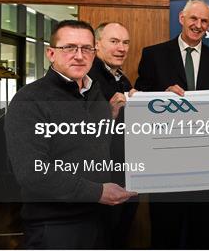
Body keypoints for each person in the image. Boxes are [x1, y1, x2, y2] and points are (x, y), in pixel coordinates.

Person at [4, 20, 136, 249]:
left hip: (99, 220)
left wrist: (112, 118)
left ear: (94, 53)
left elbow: (89, 143)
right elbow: (32, 173)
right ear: (51, 53)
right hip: (55, 226)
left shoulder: (94, 94)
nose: (79, 55)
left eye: (86, 48)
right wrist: (98, 192)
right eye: (69, 48)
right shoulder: (29, 100)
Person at [135, 0, 209, 249]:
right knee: (166, 236)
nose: (198, 25)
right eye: (193, 19)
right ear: (181, 19)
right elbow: (138, 101)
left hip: (208, 169)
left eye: (204, 21)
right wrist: (160, 96)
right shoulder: (153, 55)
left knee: (205, 236)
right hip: (166, 168)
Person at [88, 21, 138, 248]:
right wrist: (110, 113)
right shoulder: (87, 77)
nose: (122, 48)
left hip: (125, 175)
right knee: (102, 238)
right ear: (97, 45)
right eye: (114, 41)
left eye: (126, 42)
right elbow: (72, 130)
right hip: (101, 181)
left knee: (120, 236)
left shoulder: (122, 78)